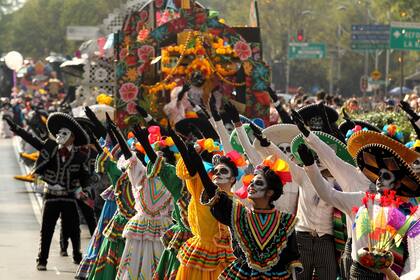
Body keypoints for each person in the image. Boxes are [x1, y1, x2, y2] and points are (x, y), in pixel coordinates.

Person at [186, 141, 302, 279]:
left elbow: (292, 261)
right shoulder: (239, 215)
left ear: (270, 192)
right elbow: (215, 195)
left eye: (258, 183)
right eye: (251, 182)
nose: (251, 186)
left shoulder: (285, 222)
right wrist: (200, 168)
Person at [6, 112, 90, 270]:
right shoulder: (50, 147)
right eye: (59, 133)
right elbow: (32, 140)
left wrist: (85, 189)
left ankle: (77, 256)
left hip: (69, 196)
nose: (60, 136)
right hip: (50, 195)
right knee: (46, 229)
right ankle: (42, 260)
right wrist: (16, 129)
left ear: (72, 137)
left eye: (65, 133)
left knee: (74, 228)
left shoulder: (80, 156)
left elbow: (85, 176)